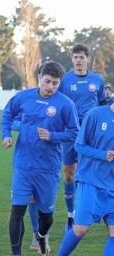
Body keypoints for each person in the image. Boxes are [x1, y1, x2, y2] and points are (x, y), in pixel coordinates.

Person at [1, 61, 79, 256]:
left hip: (48, 170)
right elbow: (7, 114)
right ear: (39, 78)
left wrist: (52, 136)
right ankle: (16, 254)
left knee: (47, 218)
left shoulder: (66, 104)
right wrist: (6, 134)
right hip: (23, 167)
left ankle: (42, 236)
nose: (51, 87)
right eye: (47, 82)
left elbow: (74, 133)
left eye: (55, 83)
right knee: (17, 212)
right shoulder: (23, 97)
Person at [58, 44, 106, 230]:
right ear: (72, 59)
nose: (78, 60)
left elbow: (103, 105)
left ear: (87, 59)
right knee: (69, 175)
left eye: (81, 57)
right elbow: (59, 103)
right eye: (75, 57)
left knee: (94, 173)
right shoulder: (65, 80)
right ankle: (71, 216)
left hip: (93, 134)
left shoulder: (97, 80)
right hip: (71, 132)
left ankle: (100, 212)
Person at [57, 102, 114, 256]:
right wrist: (103, 154)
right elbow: (79, 146)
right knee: (81, 229)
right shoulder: (95, 114)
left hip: (112, 185)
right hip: (90, 181)